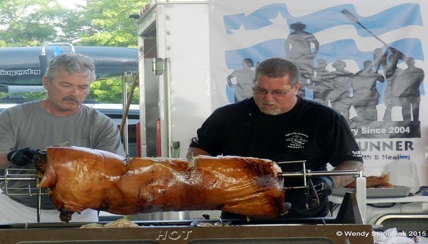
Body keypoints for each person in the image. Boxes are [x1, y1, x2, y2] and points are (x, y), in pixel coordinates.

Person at [187, 57, 363, 219]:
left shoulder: (324, 118)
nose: (268, 99)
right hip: (239, 219)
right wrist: (215, 176)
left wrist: (329, 181)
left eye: (279, 92)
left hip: (306, 219)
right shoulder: (226, 116)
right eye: (261, 90)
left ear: (296, 88)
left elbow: (353, 164)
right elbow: (197, 151)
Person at [0, 53, 126, 223]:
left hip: (80, 211)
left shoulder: (101, 124)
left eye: (82, 87)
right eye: (66, 85)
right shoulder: (13, 116)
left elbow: (116, 171)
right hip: (16, 209)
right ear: (46, 83)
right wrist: (12, 156)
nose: (74, 93)